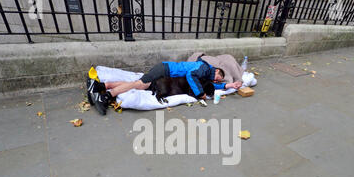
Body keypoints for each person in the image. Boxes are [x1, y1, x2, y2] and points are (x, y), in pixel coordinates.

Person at [87, 58, 242, 115]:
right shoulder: (205, 68)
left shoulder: (207, 76)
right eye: (218, 76)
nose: (216, 79)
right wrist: (200, 94)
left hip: (165, 72)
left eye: (218, 79)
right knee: (138, 84)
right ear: (215, 71)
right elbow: (190, 76)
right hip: (165, 69)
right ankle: (106, 96)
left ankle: (101, 85)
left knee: (140, 86)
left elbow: (215, 86)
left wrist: (230, 85)